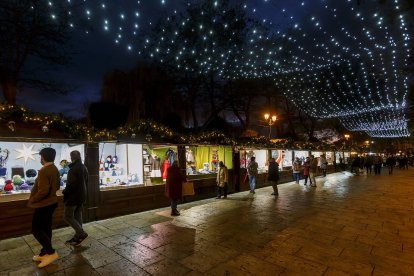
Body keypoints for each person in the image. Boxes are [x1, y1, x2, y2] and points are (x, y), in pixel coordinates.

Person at [28, 148, 60, 268]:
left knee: (36, 229)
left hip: (43, 204)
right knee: (46, 228)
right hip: (51, 203)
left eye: (40, 156)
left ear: (43, 157)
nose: (40, 159)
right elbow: (56, 187)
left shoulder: (44, 170)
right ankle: (45, 252)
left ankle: (51, 252)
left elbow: (43, 191)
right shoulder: (55, 168)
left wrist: (33, 199)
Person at [63, 150, 89, 246]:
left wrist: (65, 192)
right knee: (78, 216)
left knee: (67, 216)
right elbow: (86, 182)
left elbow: (70, 185)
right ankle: (78, 237)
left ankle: (81, 233)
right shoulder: (83, 167)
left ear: (72, 158)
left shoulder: (73, 169)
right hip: (81, 196)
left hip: (73, 197)